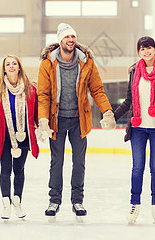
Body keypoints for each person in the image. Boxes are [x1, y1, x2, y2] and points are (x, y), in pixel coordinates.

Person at [37, 22, 116, 219]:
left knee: (79, 162)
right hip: (57, 120)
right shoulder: (48, 63)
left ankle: (77, 201)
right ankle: (54, 201)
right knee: (57, 162)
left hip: (79, 120)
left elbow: (97, 89)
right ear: (59, 40)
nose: (70, 40)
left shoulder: (86, 61)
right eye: (66, 37)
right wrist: (44, 119)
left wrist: (107, 111)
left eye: (73, 37)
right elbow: (43, 95)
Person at [113, 36, 155, 225]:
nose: (146, 51)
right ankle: (134, 205)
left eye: (149, 48)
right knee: (137, 168)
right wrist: (113, 117)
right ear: (139, 52)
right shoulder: (135, 71)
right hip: (138, 128)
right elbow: (129, 100)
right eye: (142, 49)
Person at [0, 55, 40, 220]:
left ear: (19, 67)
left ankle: (17, 201)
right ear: (4, 69)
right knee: (5, 170)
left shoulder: (30, 89)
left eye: (14, 63)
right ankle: (6, 204)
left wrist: (42, 127)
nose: (11, 66)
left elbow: (36, 112)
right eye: (8, 64)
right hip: (5, 137)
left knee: (19, 170)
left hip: (23, 136)